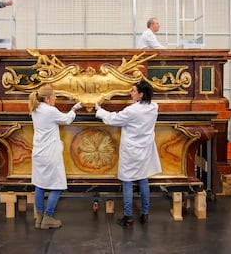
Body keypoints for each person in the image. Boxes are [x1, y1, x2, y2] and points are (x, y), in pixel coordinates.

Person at [95, 80, 162, 227]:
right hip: (145, 149)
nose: (130, 93)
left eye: (133, 91)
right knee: (143, 179)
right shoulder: (154, 107)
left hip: (132, 151)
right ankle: (145, 215)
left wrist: (99, 111)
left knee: (127, 181)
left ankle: (128, 217)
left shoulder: (132, 110)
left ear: (141, 94)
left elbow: (114, 119)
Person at [28, 85, 82, 229]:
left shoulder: (35, 109)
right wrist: (74, 109)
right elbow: (66, 120)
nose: (55, 98)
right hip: (50, 153)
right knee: (57, 185)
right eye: (54, 95)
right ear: (47, 98)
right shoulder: (50, 111)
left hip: (39, 152)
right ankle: (48, 217)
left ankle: (39, 218)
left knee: (39, 184)